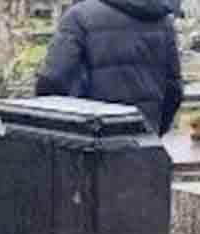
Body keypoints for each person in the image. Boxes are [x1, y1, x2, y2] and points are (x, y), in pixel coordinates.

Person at [36, 0, 182, 136]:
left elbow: (53, 81)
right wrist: (154, 131)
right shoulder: (162, 20)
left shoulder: (79, 17)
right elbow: (173, 88)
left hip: (92, 138)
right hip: (145, 139)